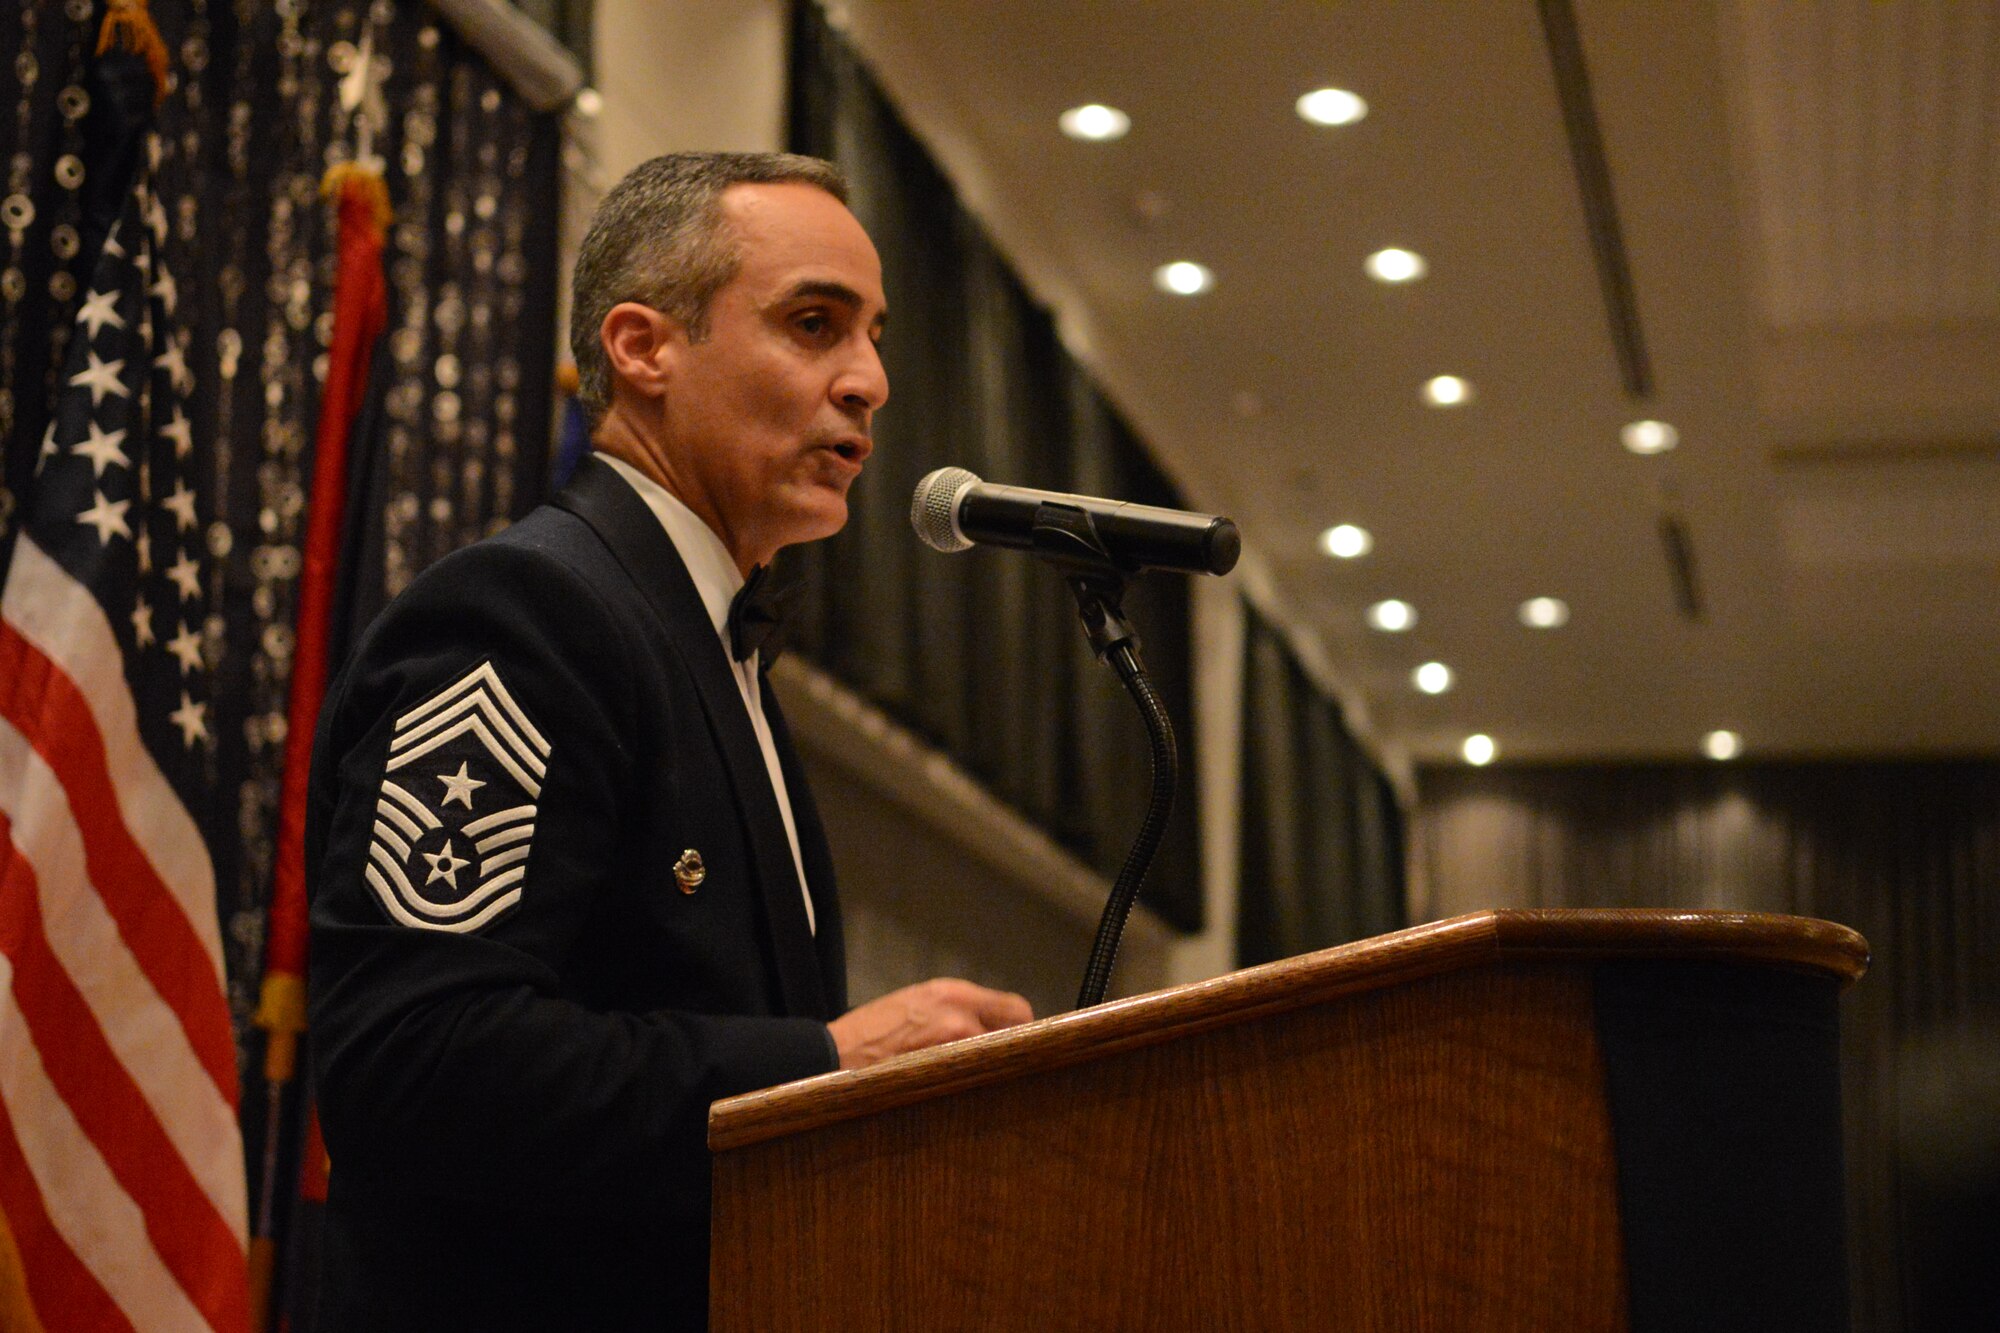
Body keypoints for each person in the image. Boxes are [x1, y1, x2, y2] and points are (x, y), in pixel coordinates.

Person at [304, 152, 1034, 1331]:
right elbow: (414, 1058)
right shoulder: (524, 614)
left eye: (876, 336)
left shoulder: (707, 640)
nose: (868, 382)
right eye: (813, 323)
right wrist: (820, 1065)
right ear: (643, 347)